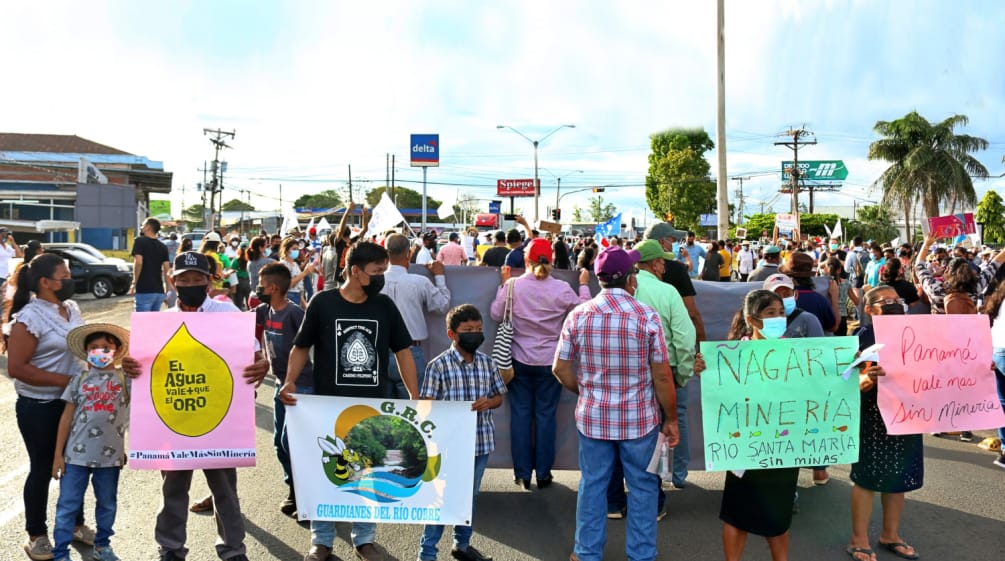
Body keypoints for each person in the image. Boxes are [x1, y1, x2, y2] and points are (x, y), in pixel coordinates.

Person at [280, 241, 418, 561]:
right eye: (377, 272)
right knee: (325, 473)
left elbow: (403, 352)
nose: (382, 277)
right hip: (327, 408)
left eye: (384, 270)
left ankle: (364, 539)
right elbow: (301, 346)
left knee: (369, 474)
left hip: (371, 408)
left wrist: (414, 394)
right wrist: (289, 381)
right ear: (355, 272)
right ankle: (322, 540)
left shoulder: (384, 306)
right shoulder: (323, 303)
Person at [553, 246, 681, 561]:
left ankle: (586, 552)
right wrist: (672, 418)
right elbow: (662, 377)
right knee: (643, 487)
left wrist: (585, 391)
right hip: (639, 420)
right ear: (629, 278)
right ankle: (641, 554)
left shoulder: (579, 315)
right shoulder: (645, 316)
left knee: (593, 485)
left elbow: (559, 368)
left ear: (599, 279)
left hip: (593, 418)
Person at [152, 251, 268, 561]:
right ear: (173, 281)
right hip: (177, 421)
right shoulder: (160, 324)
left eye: (197, 279)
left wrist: (262, 365)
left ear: (209, 281)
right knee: (173, 491)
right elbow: (146, 370)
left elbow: (254, 356)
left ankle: (232, 551)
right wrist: (135, 368)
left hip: (220, 421)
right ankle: (171, 549)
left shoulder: (227, 315)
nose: (190, 284)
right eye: (183, 279)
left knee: (225, 490)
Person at [6, 253, 99, 560]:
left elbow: (82, 346)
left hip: (73, 403)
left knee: (76, 467)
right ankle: (36, 534)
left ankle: (74, 523)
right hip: (39, 406)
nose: (70, 281)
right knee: (43, 468)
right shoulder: (29, 318)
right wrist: (67, 382)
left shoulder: (70, 308)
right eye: (64, 276)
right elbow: (17, 368)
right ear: (45, 283)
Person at [607, 240, 699, 518]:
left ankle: (613, 502)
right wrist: (681, 375)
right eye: (662, 261)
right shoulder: (667, 292)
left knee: (615, 437)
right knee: (655, 439)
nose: (664, 265)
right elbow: (684, 338)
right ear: (654, 263)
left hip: (620, 370)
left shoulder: (616, 292)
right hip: (662, 372)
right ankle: (653, 501)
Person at [490, 238, 591, 490]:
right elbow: (584, 309)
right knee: (546, 417)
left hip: (518, 360)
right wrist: (584, 285)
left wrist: (502, 285)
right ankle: (544, 473)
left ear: (526, 259)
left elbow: (495, 314)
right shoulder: (562, 288)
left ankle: (522, 473)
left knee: (521, 416)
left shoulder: (513, 286)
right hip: (551, 361)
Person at [417, 304, 507, 561]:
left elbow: (499, 396)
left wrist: (488, 402)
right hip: (448, 447)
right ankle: (427, 553)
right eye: (468, 330)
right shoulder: (438, 366)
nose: (475, 334)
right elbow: (427, 405)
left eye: (479, 329)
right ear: (451, 334)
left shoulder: (487, 363)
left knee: (469, 497)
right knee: (441, 498)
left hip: (480, 444)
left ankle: (462, 545)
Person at [720, 289, 801, 561]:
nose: (779, 318)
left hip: (783, 446)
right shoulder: (734, 354)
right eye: (770, 314)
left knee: (779, 516)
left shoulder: (798, 354)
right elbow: (721, 395)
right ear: (752, 320)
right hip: (746, 447)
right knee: (737, 514)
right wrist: (704, 369)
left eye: (781, 313)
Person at [846, 286, 924, 561]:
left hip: (907, 413)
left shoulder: (919, 333)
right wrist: (866, 380)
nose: (892, 304)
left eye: (896, 300)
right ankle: (859, 539)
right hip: (873, 416)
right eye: (884, 301)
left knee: (898, 477)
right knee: (866, 478)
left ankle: (890, 534)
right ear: (868, 309)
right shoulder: (861, 337)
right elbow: (843, 381)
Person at [51, 323, 132, 561]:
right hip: (75, 456)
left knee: (107, 504)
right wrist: (58, 455)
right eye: (94, 348)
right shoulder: (79, 380)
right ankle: (60, 552)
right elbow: (66, 417)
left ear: (116, 351)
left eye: (106, 347)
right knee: (67, 505)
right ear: (86, 352)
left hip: (110, 458)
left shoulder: (125, 379)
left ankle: (102, 545)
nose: (100, 352)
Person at [382, 234, 451, 398]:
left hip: (380, 352)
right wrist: (439, 276)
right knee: (414, 414)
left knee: (381, 416)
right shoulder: (419, 282)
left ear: (386, 254)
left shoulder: (373, 281)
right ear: (408, 254)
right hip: (411, 352)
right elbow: (442, 306)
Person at [643, 222, 706, 342]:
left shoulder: (632, 271)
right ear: (662, 242)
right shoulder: (677, 269)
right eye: (672, 241)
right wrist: (702, 343)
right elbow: (691, 312)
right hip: (670, 343)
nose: (673, 245)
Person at [780, 251, 837, 334]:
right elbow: (832, 327)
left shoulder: (778, 299)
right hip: (814, 345)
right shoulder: (820, 300)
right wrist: (834, 298)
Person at [762, 274, 825, 339]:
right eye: (776, 296)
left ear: (796, 295)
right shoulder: (761, 321)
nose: (782, 299)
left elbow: (819, 347)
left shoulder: (809, 320)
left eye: (787, 294)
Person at [131, 217, 171, 312]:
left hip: (144, 290)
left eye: (143, 225)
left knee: (142, 324)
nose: (141, 227)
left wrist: (134, 283)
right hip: (159, 292)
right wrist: (167, 291)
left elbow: (139, 263)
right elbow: (167, 269)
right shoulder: (163, 247)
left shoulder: (139, 241)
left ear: (148, 227)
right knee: (153, 324)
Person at [280, 237, 315, 307]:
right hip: (289, 297)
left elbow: (298, 288)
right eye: (294, 249)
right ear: (286, 250)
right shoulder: (283, 265)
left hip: (297, 297)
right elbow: (288, 284)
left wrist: (304, 304)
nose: (297, 251)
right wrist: (305, 272)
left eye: (297, 249)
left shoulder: (295, 264)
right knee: (252, 316)